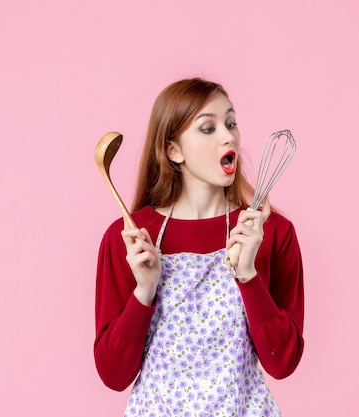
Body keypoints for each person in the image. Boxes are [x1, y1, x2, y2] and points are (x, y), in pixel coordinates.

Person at [94, 77, 304, 416]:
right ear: (173, 150)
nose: (228, 136)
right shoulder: (132, 239)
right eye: (208, 128)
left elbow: (284, 362)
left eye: (231, 123)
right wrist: (144, 290)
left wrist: (247, 275)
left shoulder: (269, 234)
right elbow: (113, 374)